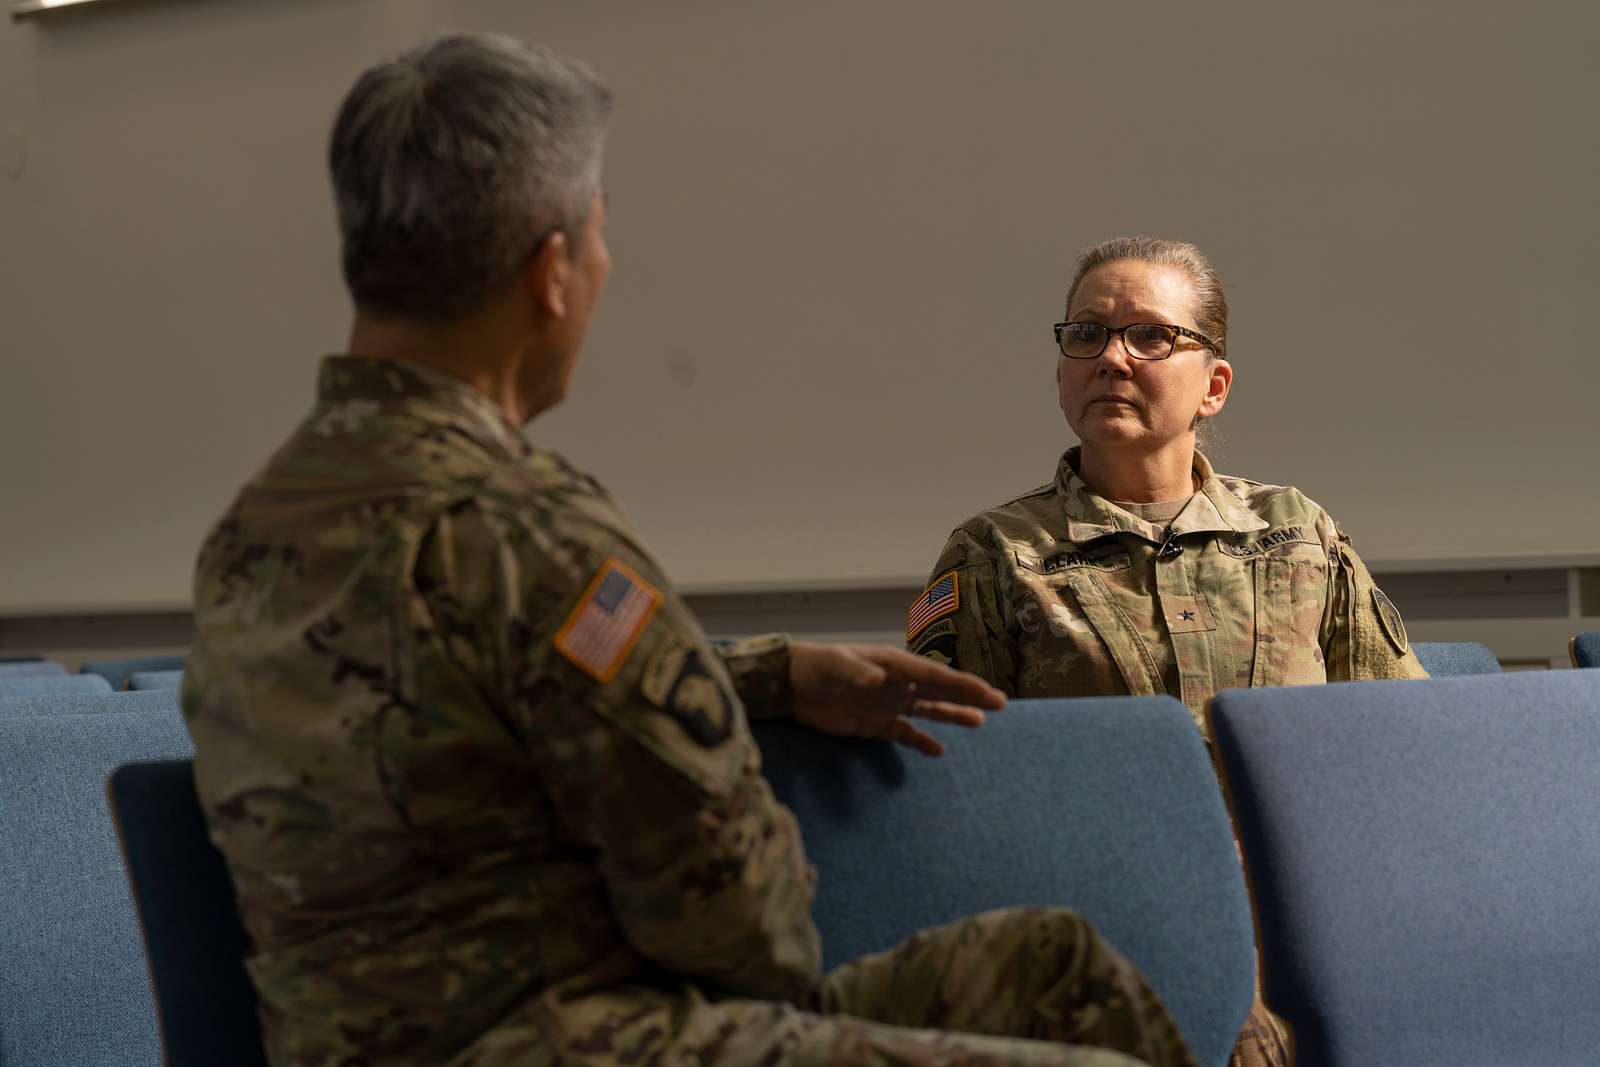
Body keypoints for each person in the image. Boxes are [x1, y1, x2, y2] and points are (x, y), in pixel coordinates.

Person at [182, 36, 1200, 1067]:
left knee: (1049, 965)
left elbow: (472, 680)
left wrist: (765, 674)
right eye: (598, 239)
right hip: (586, 1039)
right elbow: (746, 931)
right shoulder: (524, 527)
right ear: (550, 272)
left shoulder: (251, 531)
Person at [907, 235, 1429, 1066]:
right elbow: (952, 789)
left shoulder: (1294, 531)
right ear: (1061, 371)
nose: (1112, 357)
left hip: (1302, 925)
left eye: (1150, 335)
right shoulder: (997, 553)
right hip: (1105, 937)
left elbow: (1397, 743)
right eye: (1086, 334)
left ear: (1213, 385)